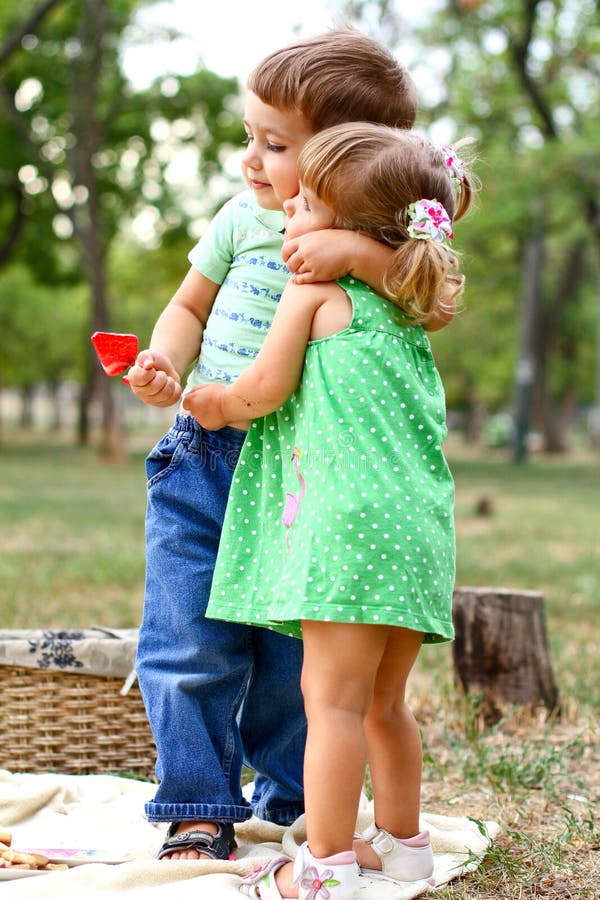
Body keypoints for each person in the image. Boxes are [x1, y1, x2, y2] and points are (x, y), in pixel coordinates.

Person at [127, 28, 431, 863]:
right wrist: (166, 363)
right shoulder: (238, 219)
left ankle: (298, 804)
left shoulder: (386, 251)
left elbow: (429, 297)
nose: (250, 160)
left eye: (276, 144)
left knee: (291, 654)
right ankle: (195, 806)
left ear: (345, 159)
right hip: (203, 454)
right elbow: (188, 308)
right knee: (186, 638)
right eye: (249, 137)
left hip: (300, 473)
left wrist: (359, 250)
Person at [184, 123, 474, 898]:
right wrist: (361, 252)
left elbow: (262, 393)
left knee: (332, 702)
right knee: (385, 702)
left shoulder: (312, 294)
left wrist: (213, 402)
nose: (287, 209)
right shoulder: (411, 302)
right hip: (417, 531)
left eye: (305, 202)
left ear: (347, 229)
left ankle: (326, 865)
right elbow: (432, 287)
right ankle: (405, 845)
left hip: (347, 529)